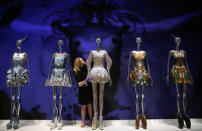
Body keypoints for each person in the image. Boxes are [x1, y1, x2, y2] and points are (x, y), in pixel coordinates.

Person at [73, 57, 93, 128]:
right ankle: (83, 121)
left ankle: (91, 120)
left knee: (90, 105)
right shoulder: (77, 71)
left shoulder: (87, 67)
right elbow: (79, 84)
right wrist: (86, 80)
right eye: (81, 60)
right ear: (78, 63)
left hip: (89, 89)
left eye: (82, 59)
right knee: (84, 106)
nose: (83, 60)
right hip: (83, 90)